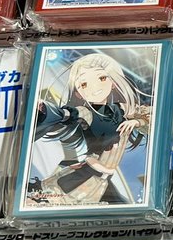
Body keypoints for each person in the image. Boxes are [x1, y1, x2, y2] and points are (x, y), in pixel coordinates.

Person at [29, 53, 151, 206]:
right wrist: (45, 110)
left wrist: (137, 122)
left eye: (102, 78)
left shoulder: (121, 109)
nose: (95, 88)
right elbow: (68, 113)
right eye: (84, 84)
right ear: (78, 93)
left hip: (102, 180)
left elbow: (151, 115)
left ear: (113, 82)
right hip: (87, 174)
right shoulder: (86, 113)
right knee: (53, 202)